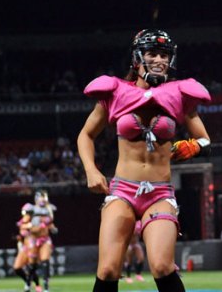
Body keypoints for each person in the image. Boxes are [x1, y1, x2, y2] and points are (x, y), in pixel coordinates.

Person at [78, 29, 212, 292]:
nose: (159, 60)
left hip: (160, 193)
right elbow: (85, 135)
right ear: (137, 58)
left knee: (162, 266)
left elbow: (206, 140)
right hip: (122, 190)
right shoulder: (115, 92)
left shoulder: (180, 95)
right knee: (108, 270)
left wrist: (194, 146)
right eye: (152, 53)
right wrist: (91, 170)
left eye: (164, 55)